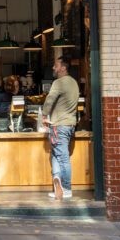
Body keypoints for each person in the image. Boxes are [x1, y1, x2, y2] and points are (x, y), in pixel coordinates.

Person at [42, 56, 80, 200]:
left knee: (62, 157)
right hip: (70, 124)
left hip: (59, 124)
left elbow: (49, 99)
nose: (53, 68)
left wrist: (44, 115)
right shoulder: (74, 83)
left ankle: (66, 188)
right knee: (56, 154)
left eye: (55, 65)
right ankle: (57, 183)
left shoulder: (59, 82)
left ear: (63, 68)